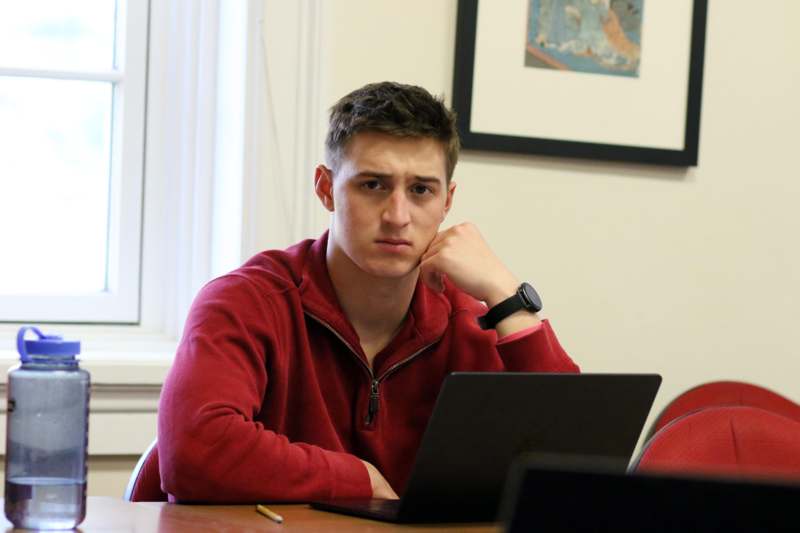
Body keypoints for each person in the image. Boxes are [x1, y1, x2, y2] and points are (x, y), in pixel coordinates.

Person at [158, 81, 579, 503]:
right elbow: (194, 452)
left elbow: (577, 462)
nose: (398, 217)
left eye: (421, 190)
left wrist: (505, 294)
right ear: (326, 188)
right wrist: (359, 481)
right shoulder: (246, 301)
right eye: (373, 185)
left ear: (448, 200)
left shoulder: (468, 319)